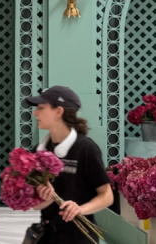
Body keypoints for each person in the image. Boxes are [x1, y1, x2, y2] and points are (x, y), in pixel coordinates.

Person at [26, 85, 114, 244]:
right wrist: (46, 199)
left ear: (58, 112)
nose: (35, 112)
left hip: (80, 238)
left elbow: (107, 195)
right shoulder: (38, 151)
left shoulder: (86, 149)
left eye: (41, 107)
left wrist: (80, 209)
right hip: (47, 236)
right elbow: (36, 206)